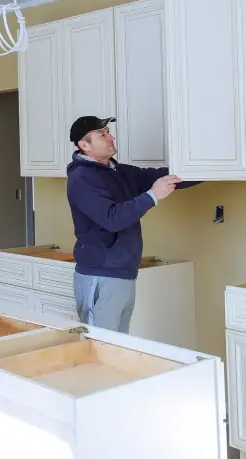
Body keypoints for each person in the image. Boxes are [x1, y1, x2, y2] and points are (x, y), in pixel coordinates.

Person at [66, 115, 201, 332]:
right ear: (84, 145)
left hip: (123, 272)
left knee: (118, 346)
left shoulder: (120, 172)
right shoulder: (82, 178)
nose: (110, 137)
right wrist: (152, 196)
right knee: (98, 346)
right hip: (99, 275)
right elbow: (111, 218)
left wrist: (212, 168)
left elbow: (164, 177)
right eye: (102, 135)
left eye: (108, 132)